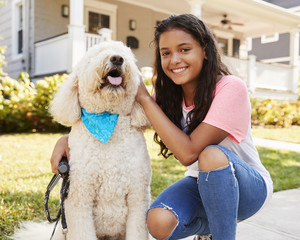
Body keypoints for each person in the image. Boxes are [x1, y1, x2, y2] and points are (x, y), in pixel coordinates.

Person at [50, 14, 273, 240]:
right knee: (157, 222)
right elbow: (120, 119)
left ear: (205, 51)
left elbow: (189, 153)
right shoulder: (168, 98)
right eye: (166, 53)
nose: (175, 59)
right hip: (200, 184)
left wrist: (146, 99)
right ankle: (206, 230)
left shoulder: (230, 87)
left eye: (184, 49)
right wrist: (66, 141)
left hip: (247, 188)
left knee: (211, 155)